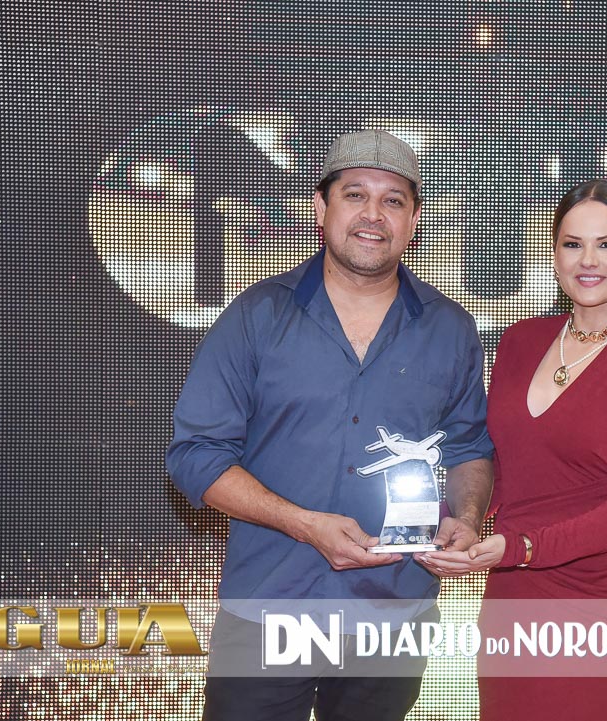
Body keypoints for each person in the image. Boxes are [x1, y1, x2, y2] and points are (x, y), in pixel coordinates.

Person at [166, 129, 494, 721]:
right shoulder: (256, 317)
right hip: (270, 606)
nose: (373, 214)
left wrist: (467, 520)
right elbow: (196, 456)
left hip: (394, 613)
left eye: (393, 200)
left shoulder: (450, 328)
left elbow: (468, 446)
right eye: (355, 195)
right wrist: (304, 524)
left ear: (415, 219)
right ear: (321, 208)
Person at [419, 179, 607, 720]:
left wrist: (520, 547)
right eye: (573, 244)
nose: (588, 260)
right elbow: (503, 464)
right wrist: (463, 520)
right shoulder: (518, 342)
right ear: (554, 256)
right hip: (514, 595)